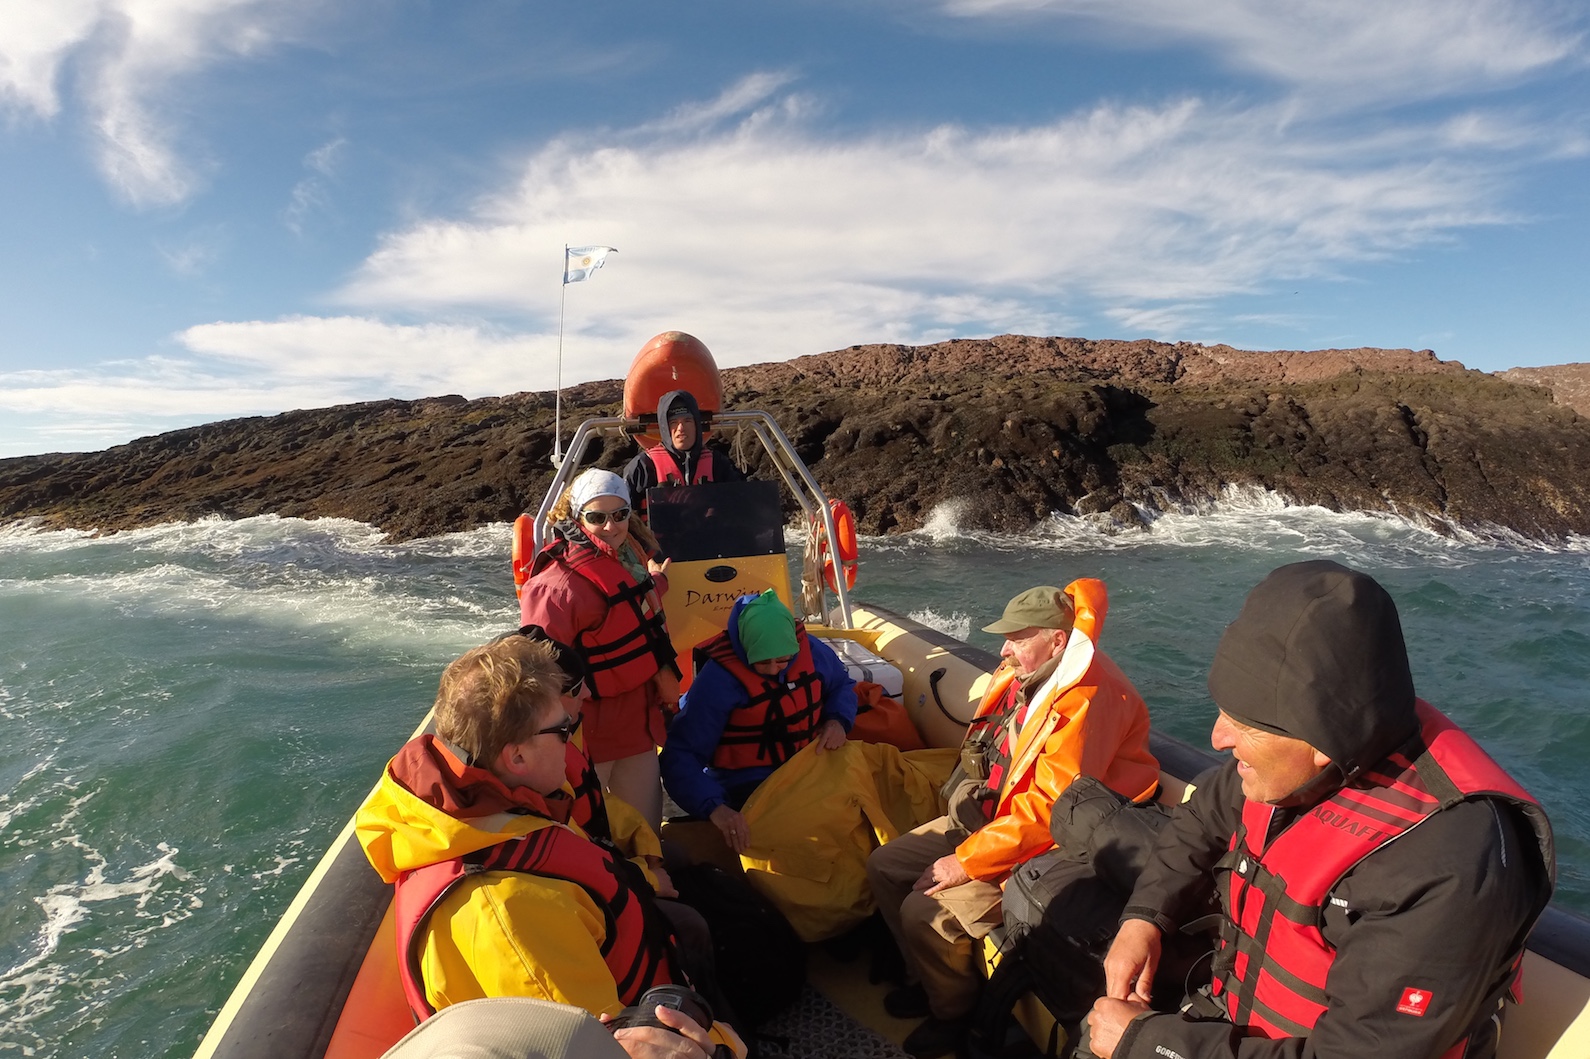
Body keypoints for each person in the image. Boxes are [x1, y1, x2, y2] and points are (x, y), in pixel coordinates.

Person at [1088, 560, 1555, 1059]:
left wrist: (1152, 1043)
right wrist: (1145, 919)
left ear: (1321, 742)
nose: (1217, 738)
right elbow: (1200, 820)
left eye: (1244, 724)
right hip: (1234, 1014)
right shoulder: (1281, 766)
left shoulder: (1450, 866)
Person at [355, 635, 742, 1057]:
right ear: (516, 756)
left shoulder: (498, 810)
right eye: (563, 729)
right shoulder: (510, 913)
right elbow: (589, 1047)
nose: (573, 734)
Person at [865, 580, 1159, 1058]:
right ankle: (927, 979)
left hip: (1047, 847)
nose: (1004, 648)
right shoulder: (1027, 676)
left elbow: (1053, 809)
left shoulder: (1087, 700)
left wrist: (964, 862)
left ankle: (954, 1017)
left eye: (1019, 638)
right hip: (992, 820)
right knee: (884, 865)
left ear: (1057, 641)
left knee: (927, 914)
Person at [520, 467, 682, 829]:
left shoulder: (632, 561)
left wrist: (660, 580)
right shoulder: (553, 587)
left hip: (639, 725)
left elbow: (633, 604)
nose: (611, 527)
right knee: (591, 836)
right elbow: (541, 671)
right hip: (588, 736)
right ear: (576, 518)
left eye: (620, 514)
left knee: (646, 834)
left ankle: (651, 882)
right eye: (597, 517)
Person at [660, 590, 858, 853]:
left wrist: (838, 720)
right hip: (748, 784)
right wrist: (716, 808)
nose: (777, 668)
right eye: (764, 662)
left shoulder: (812, 651)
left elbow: (842, 686)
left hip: (809, 767)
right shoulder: (717, 682)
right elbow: (679, 755)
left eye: (784, 660)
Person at [623, 389, 744, 524]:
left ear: (696, 424)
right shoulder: (642, 466)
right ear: (664, 427)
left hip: (711, 541)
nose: (681, 428)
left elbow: (740, 508)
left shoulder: (719, 464)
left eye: (687, 420)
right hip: (658, 544)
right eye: (673, 422)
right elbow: (624, 518)